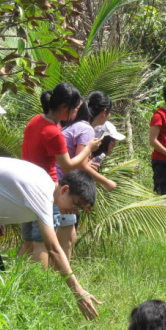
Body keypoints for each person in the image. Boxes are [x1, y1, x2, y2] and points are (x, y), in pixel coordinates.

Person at [0, 158, 101, 319]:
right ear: (65, 189)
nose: (74, 211)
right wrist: (78, 291)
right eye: (76, 204)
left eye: (79, 209)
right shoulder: (43, 194)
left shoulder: (44, 184)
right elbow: (53, 248)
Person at [20, 83, 102, 264]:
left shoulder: (35, 121)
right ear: (64, 107)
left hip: (26, 186)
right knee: (42, 243)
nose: (76, 113)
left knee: (28, 242)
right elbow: (68, 166)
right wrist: (89, 147)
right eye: (75, 109)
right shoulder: (53, 133)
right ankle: (37, 288)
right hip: (45, 189)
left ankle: (16, 285)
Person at [57, 93, 118, 259]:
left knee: (65, 237)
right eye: (110, 113)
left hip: (61, 184)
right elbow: (80, 164)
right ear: (104, 112)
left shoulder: (75, 125)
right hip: (64, 187)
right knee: (66, 239)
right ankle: (61, 277)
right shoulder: (86, 129)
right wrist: (106, 182)